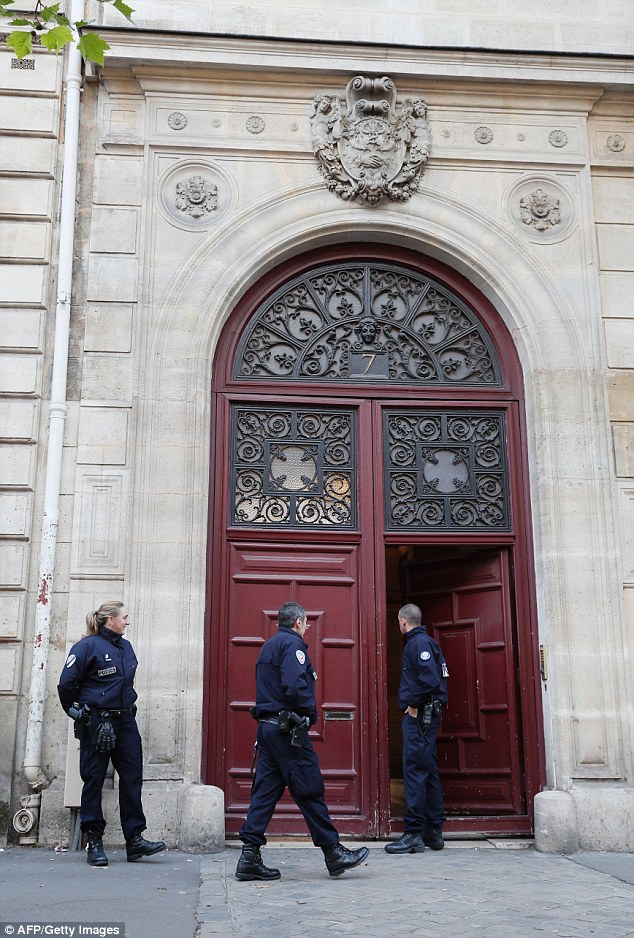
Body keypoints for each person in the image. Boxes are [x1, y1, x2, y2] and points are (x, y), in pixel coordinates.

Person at [236, 601, 369, 880]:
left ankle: (249, 856)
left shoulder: (268, 647)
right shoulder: (293, 646)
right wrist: (310, 714)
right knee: (309, 788)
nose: (306, 627)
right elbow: (296, 685)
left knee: (265, 791)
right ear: (298, 622)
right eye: (306, 623)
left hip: (269, 730)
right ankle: (333, 852)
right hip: (288, 733)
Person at [57, 601, 166, 867]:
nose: (127, 622)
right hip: (97, 721)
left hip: (125, 720)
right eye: (124, 617)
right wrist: (77, 713)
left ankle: (134, 839)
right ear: (110, 620)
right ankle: (94, 841)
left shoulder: (125, 647)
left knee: (131, 778)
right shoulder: (86, 647)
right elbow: (66, 684)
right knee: (93, 779)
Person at [385, 603, 448, 855]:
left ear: (402, 621)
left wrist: (413, 703)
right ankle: (434, 831)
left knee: (414, 772)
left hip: (420, 718)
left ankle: (413, 833)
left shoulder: (418, 644)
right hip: (427, 718)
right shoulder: (426, 642)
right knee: (428, 771)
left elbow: (429, 679)